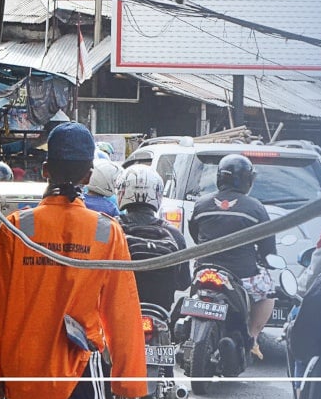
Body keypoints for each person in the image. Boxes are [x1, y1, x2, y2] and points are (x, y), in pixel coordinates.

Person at [0, 122, 146, 399]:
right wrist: (128, 381)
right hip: (79, 373)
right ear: (88, 176)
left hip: (21, 372)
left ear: (45, 171)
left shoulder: (17, 226)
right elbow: (122, 310)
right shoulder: (106, 231)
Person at [189, 153, 276, 361]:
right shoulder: (256, 208)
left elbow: (195, 234)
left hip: (204, 270)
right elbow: (268, 249)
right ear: (247, 180)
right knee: (269, 292)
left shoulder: (201, 205)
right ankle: (253, 338)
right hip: (241, 275)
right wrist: (265, 260)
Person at [116, 164, 189, 309]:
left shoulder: (112, 228)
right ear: (157, 193)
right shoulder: (174, 234)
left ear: (122, 191)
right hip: (160, 311)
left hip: (121, 311)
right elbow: (184, 282)